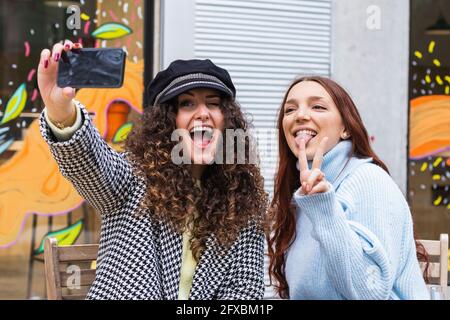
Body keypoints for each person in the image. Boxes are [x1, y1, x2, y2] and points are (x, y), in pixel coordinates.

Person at [37, 40, 268, 299]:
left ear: (228, 120)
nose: (203, 113)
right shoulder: (133, 179)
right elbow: (90, 166)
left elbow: (245, 294)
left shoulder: (244, 203)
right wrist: (61, 111)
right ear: (166, 123)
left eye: (213, 103)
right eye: (187, 104)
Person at [267, 76, 430, 300]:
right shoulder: (305, 193)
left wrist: (323, 208)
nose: (300, 115)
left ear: (346, 128)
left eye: (318, 106)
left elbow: (370, 293)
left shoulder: (369, 181)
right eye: (290, 109)